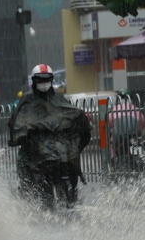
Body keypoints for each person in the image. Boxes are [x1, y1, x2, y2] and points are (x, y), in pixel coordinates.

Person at [8, 64, 91, 207]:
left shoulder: (58, 98)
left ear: (52, 80)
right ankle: (30, 198)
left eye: (46, 80)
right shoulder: (27, 101)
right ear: (34, 81)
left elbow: (70, 114)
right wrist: (28, 132)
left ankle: (72, 199)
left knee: (71, 164)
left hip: (60, 146)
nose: (43, 83)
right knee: (27, 165)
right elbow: (17, 122)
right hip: (36, 148)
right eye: (40, 80)